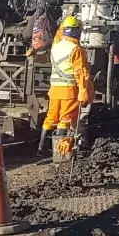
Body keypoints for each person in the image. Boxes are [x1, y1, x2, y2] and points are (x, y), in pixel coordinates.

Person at [44, 16, 92, 151]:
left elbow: (59, 34)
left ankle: (41, 149)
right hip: (69, 90)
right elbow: (81, 73)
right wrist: (83, 92)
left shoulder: (56, 46)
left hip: (54, 89)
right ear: (77, 32)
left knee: (51, 118)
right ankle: (60, 150)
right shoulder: (76, 49)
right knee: (66, 119)